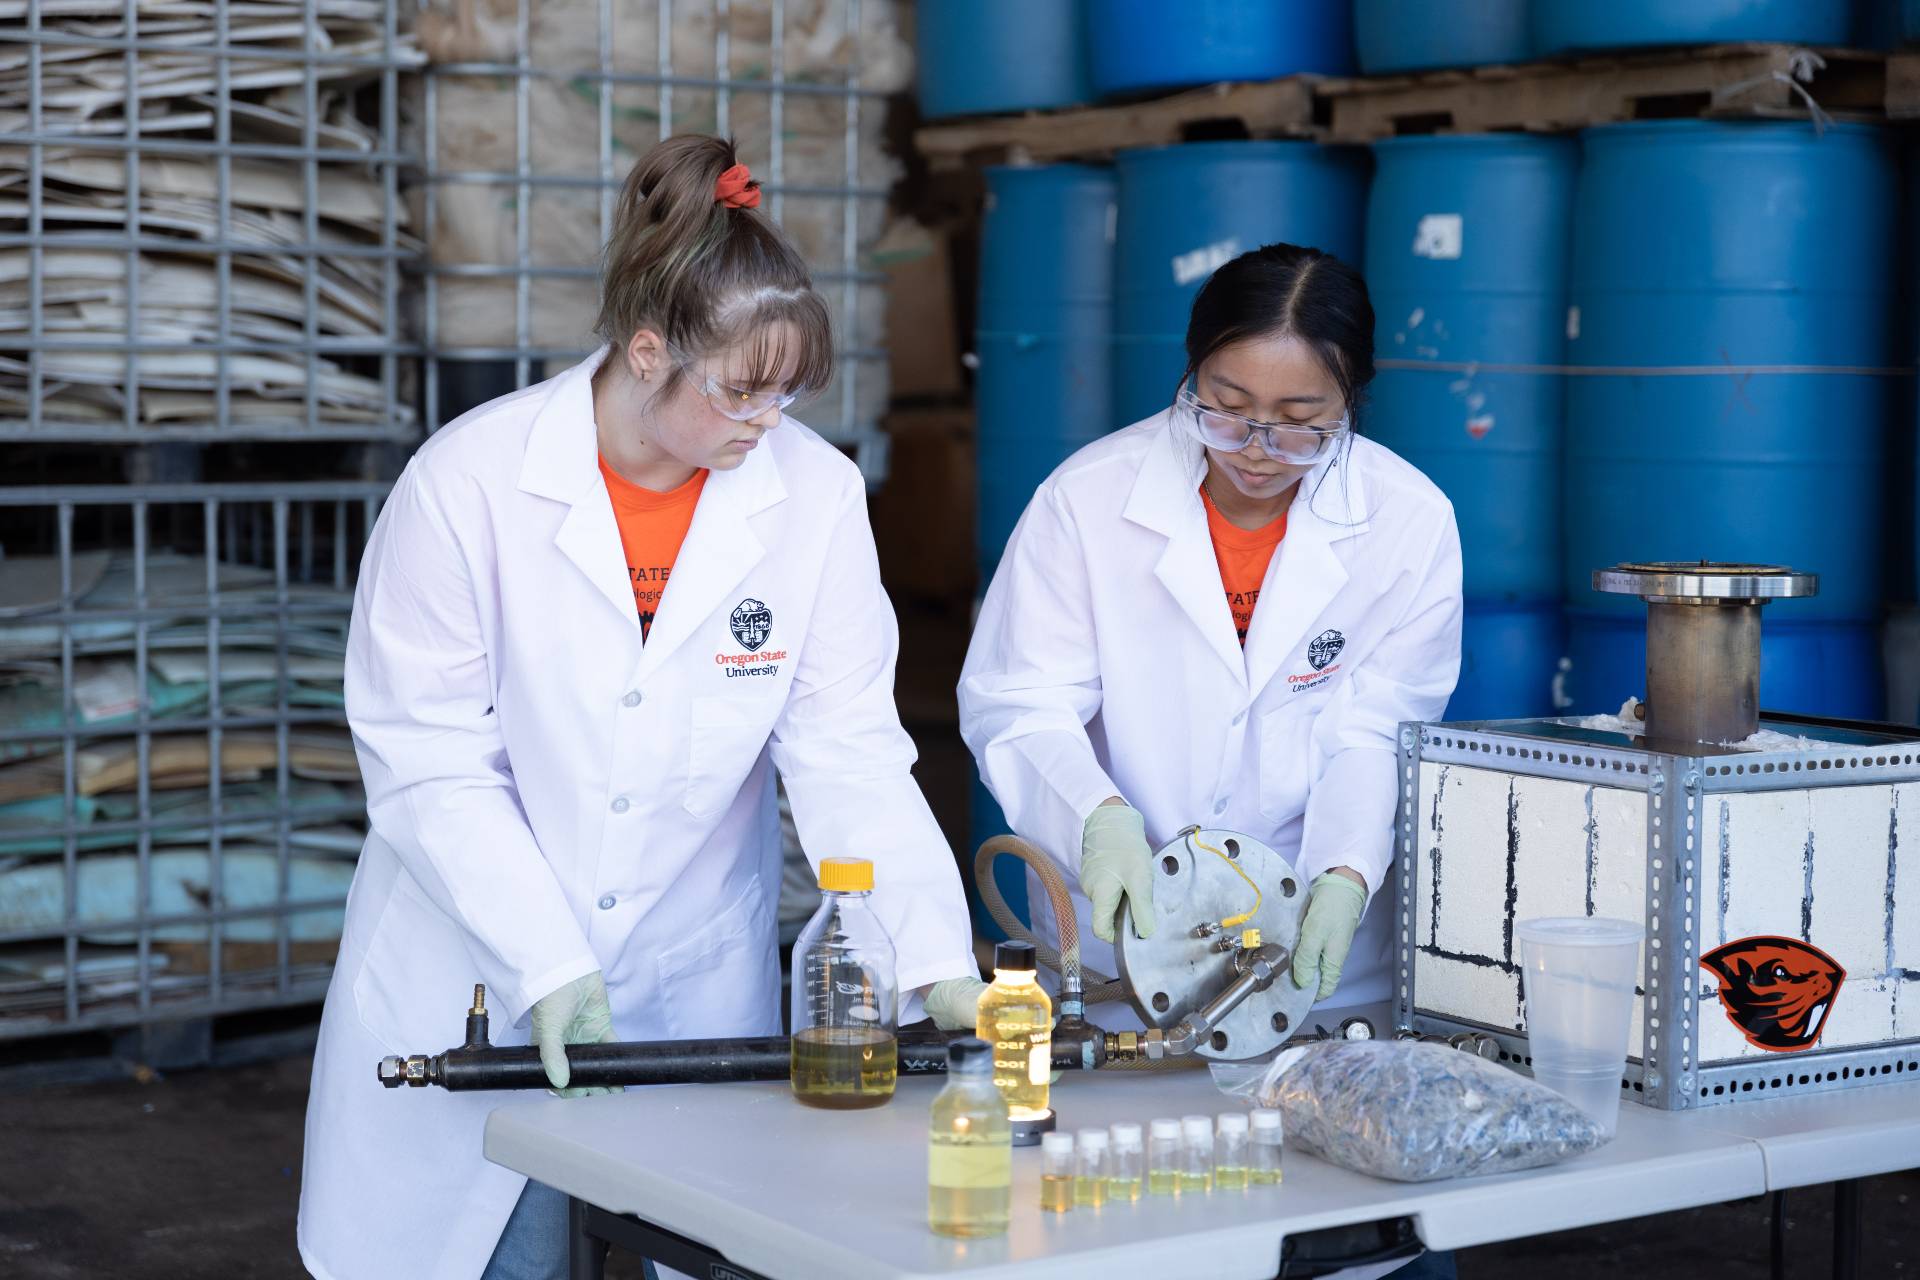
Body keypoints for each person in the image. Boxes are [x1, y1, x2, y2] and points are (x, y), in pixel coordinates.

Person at [298, 135, 985, 1280]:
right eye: (740, 388)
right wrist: (546, 958)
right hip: (483, 966)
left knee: (702, 1245)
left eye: (790, 389)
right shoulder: (469, 481)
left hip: (686, 973)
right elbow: (427, 758)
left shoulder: (810, 496)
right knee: (509, 1257)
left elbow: (849, 745)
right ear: (648, 349)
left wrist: (932, 956)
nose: (769, 420)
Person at [959, 240, 1463, 1026]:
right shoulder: (1087, 500)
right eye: (1225, 409)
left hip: (1311, 959)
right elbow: (1018, 704)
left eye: (1300, 425)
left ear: (1352, 403)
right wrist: (1098, 816)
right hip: (1124, 947)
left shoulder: (1409, 522)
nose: (1257, 452)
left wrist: (1345, 872)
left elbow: (1374, 731)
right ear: (1191, 372)